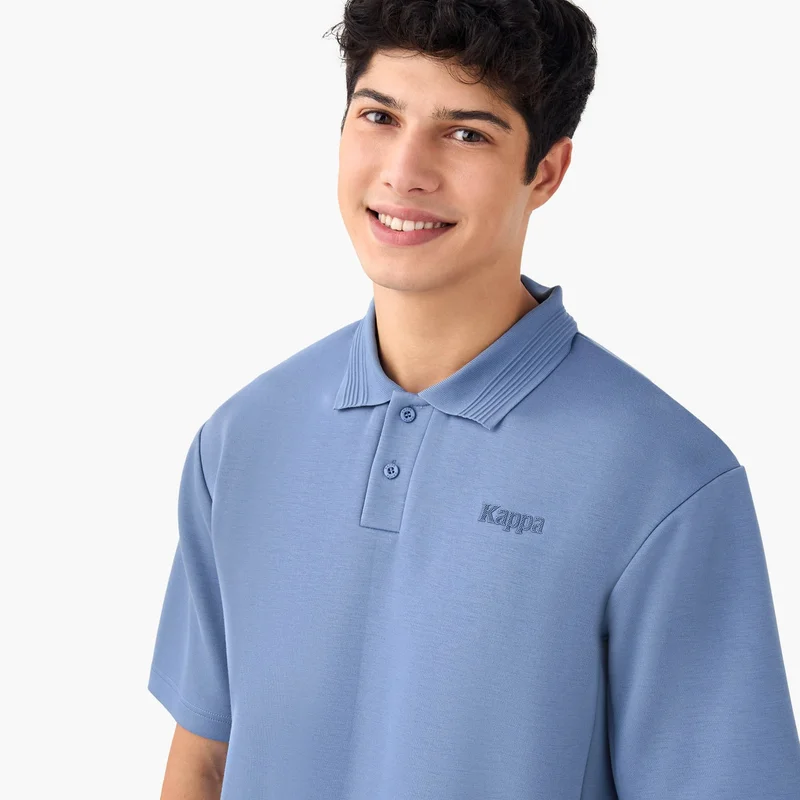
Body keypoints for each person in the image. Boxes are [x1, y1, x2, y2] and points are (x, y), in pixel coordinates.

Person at [147, 1, 800, 797]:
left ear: (546, 171)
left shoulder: (667, 480)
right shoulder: (243, 438)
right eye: (379, 116)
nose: (405, 171)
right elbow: (206, 760)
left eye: (466, 133)